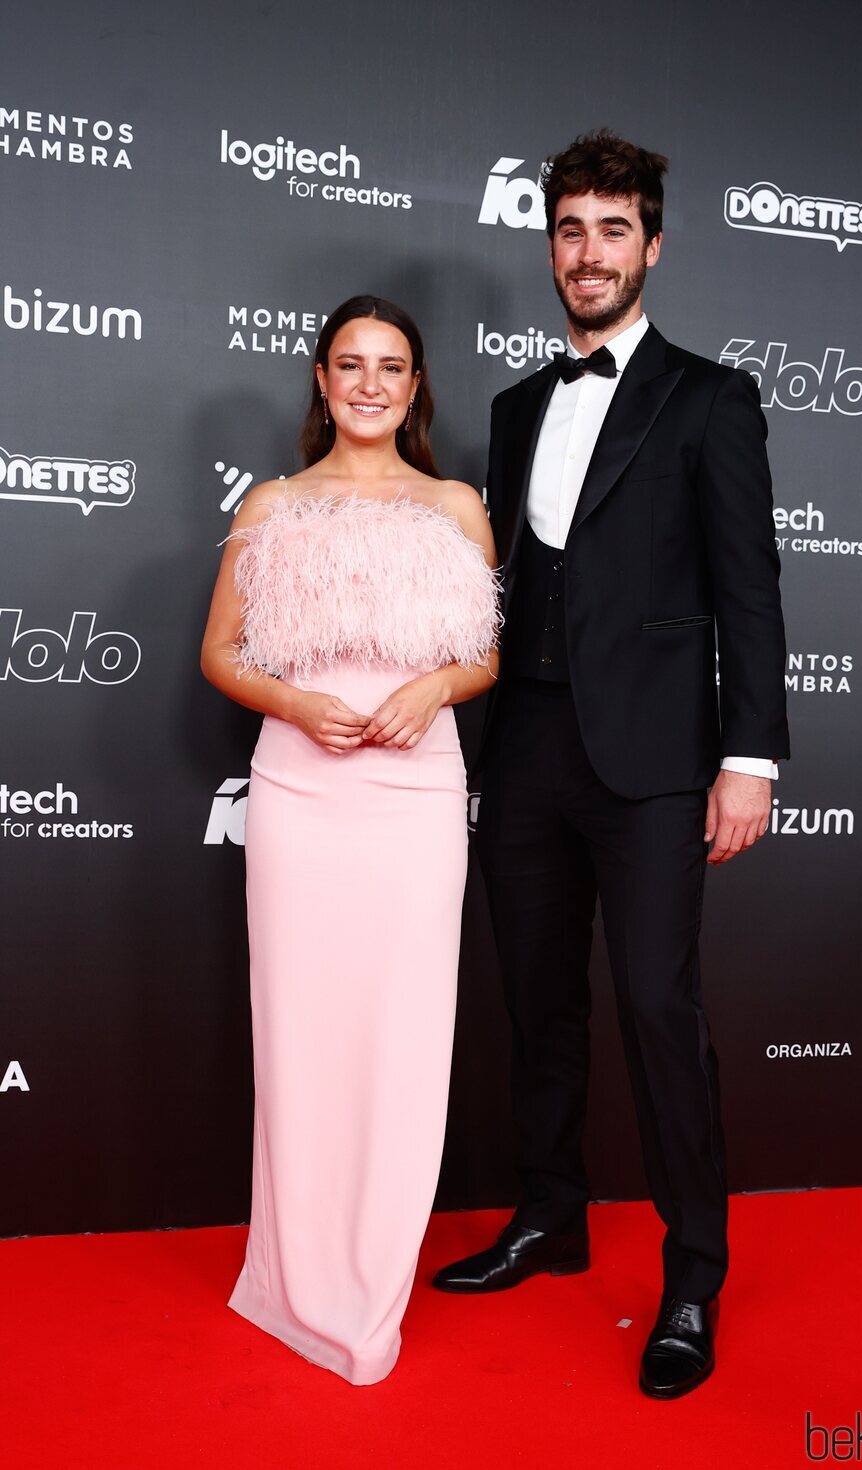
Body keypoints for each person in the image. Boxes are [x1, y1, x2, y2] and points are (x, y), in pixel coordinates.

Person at [433, 131, 789, 1400]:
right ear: (549, 246)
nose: (587, 253)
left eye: (611, 230)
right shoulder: (517, 405)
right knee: (537, 1001)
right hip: (521, 750)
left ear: (651, 245)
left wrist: (745, 757)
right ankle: (550, 1216)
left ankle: (692, 1275)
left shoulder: (709, 397)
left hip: (652, 761)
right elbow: (503, 586)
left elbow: (749, 590)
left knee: (656, 1006)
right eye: (568, 230)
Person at [201, 295, 499, 1386]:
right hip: (301, 794)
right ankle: (290, 1278)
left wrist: (432, 685)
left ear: (415, 388)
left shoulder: (457, 507)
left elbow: (483, 660)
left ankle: (368, 1286)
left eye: (391, 366)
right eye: (348, 364)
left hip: (416, 797)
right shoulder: (273, 504)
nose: (369, 383)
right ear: (320, 382)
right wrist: (290, 702)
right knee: (299, 1035)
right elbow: (221, 652)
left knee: (403, 1040)